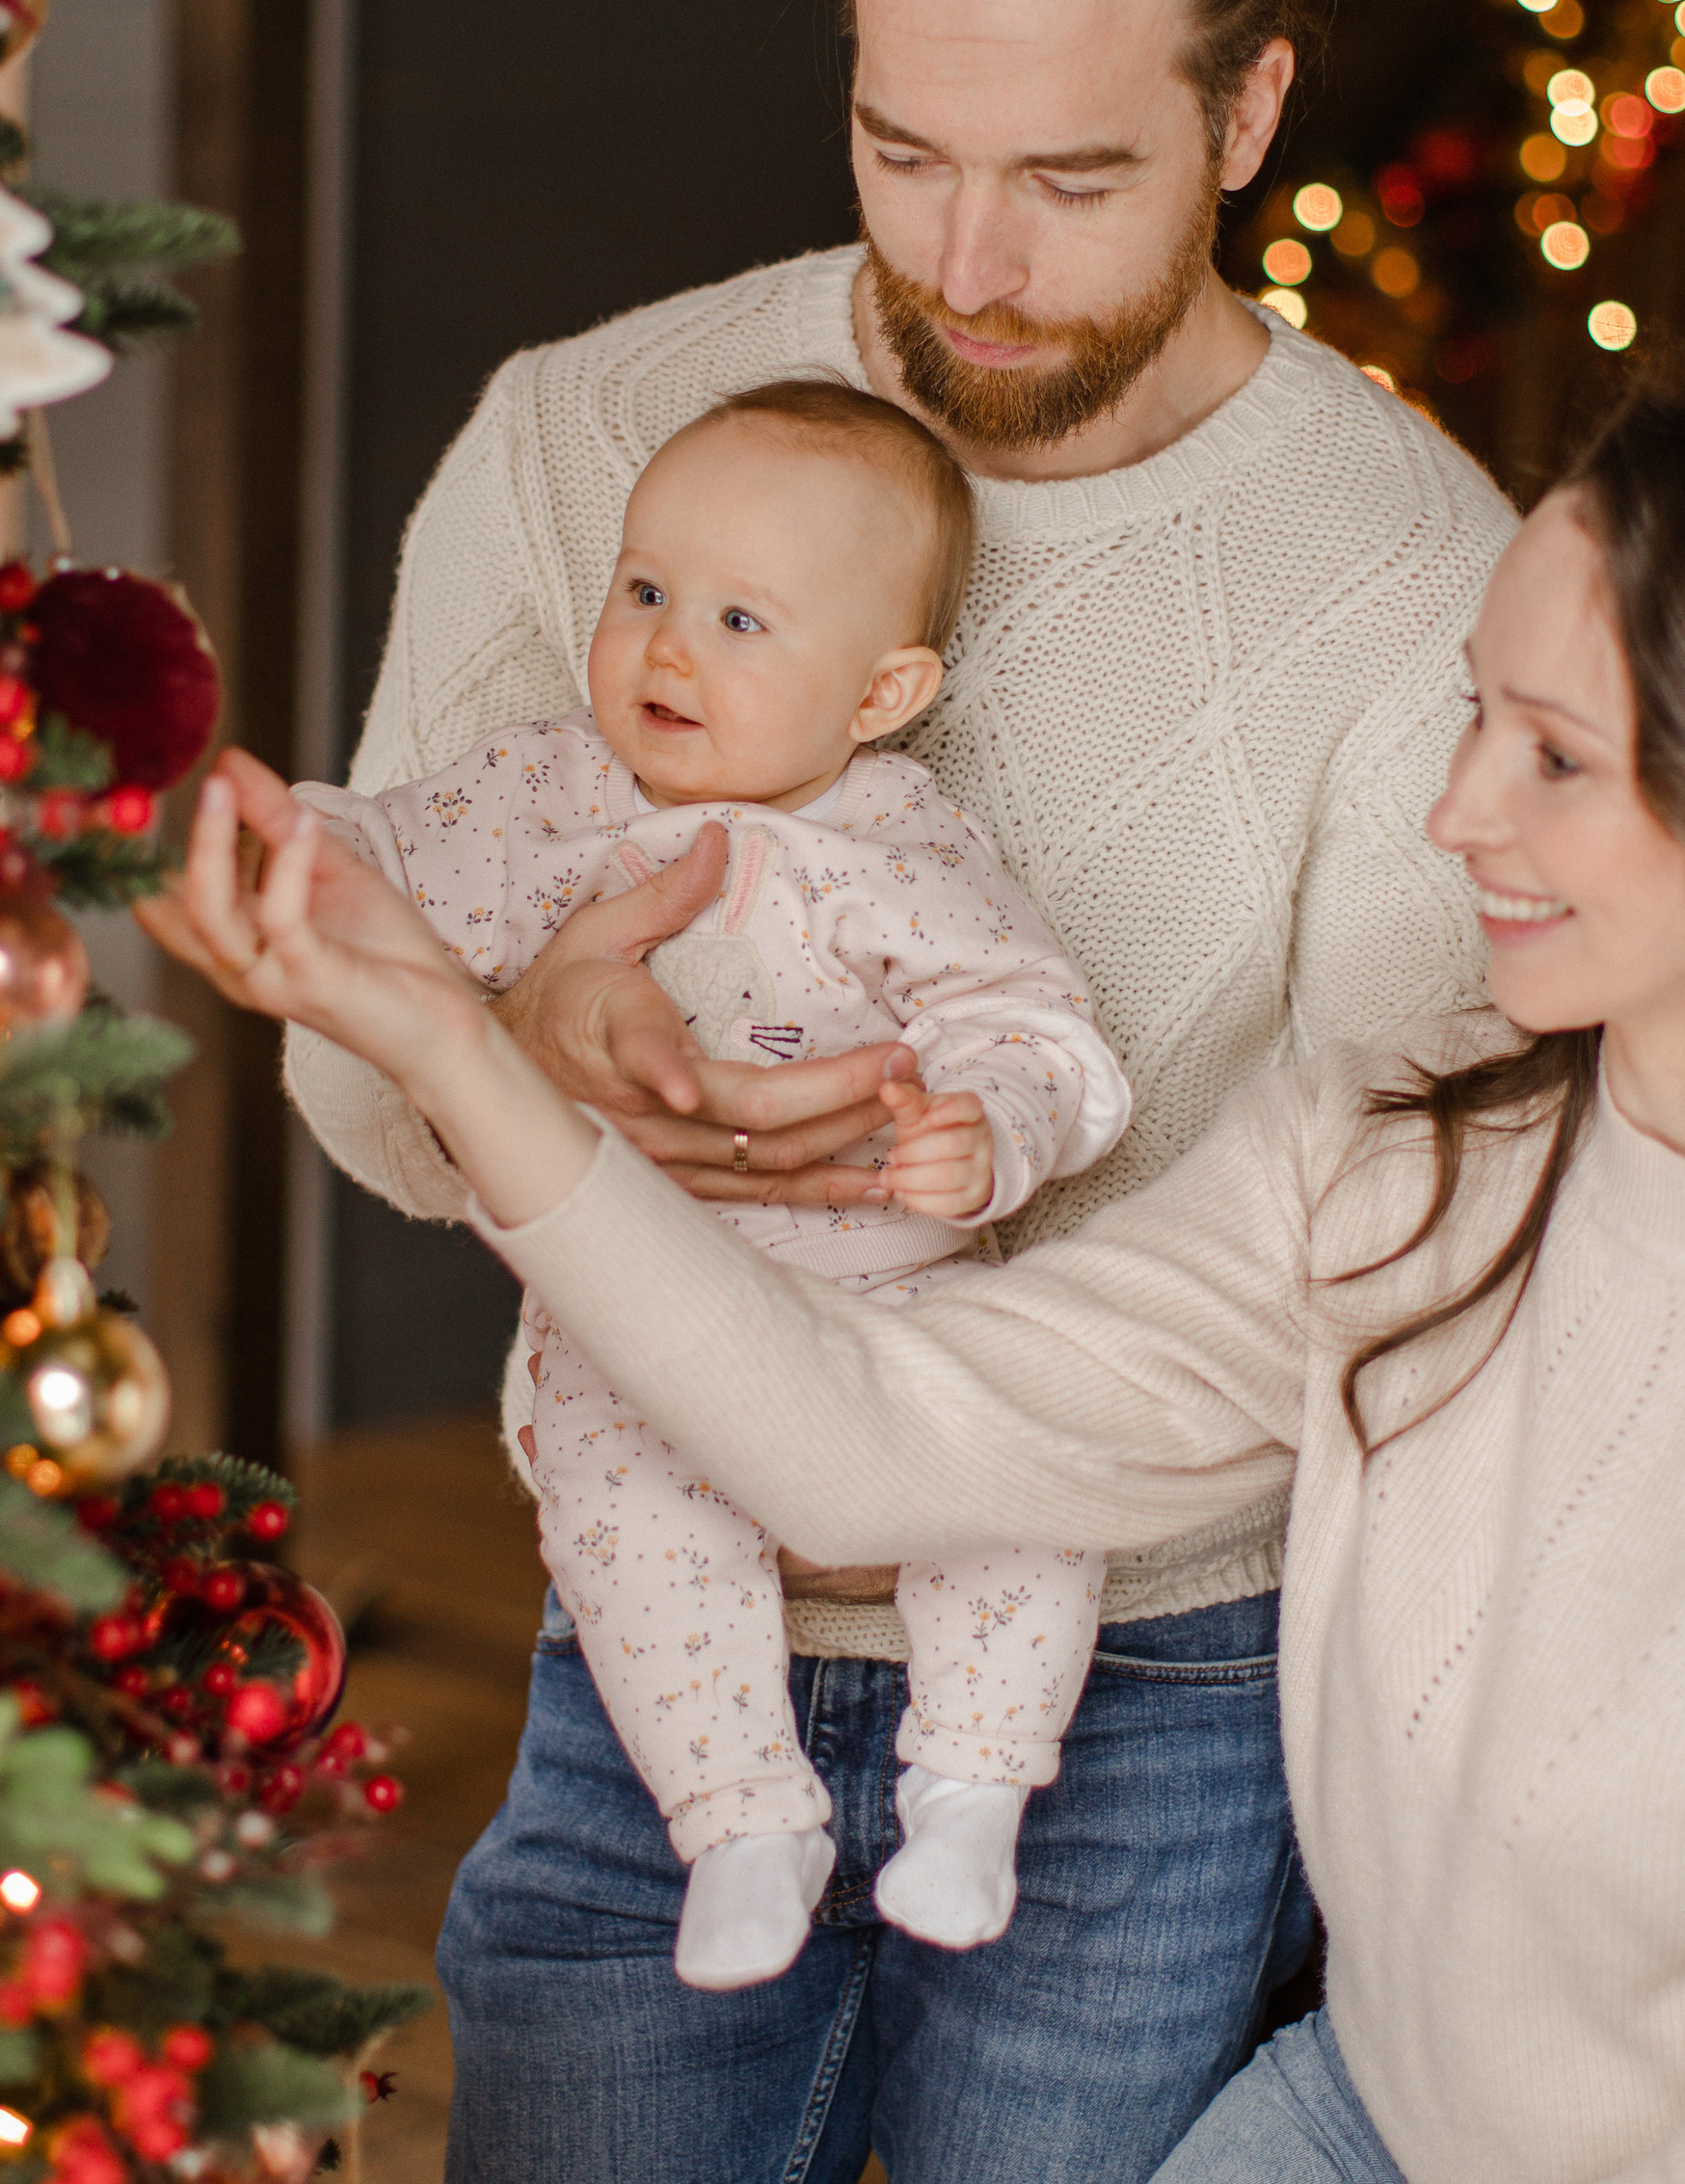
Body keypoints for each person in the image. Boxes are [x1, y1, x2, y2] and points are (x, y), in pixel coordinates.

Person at [155, 368, 1685, 2184]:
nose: (1447, 809)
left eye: (1552, 758)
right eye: (1472, 715)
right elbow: (873, 1447)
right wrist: (441, 1035)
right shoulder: (1395, 1168)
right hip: (1398, 2135)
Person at [282, 0, 1512, 2184]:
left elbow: (1367, 1239)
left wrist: (931, 1243)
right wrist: (529, 1037)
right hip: (648, 1630)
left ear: (1253, 120)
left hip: (1156, 1695)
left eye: (1076, 180)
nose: (962, 271)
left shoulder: (1424, 579)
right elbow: (333, 1037)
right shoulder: (593, 441)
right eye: (896, 146)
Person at [296, 380, 1132, 1992]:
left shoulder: (903, 838)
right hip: (649, 1315)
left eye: (742, 619)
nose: (668, 649)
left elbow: (1039, 1030)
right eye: (646, 591)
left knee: (1030, 1482)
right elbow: (372, 859)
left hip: (898, 1293)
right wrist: (283, 838)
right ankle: (739, 1816)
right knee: (622, 1506)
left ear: (884, 691)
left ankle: (973, 1779)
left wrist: (990, 1125)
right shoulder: (551, 798)